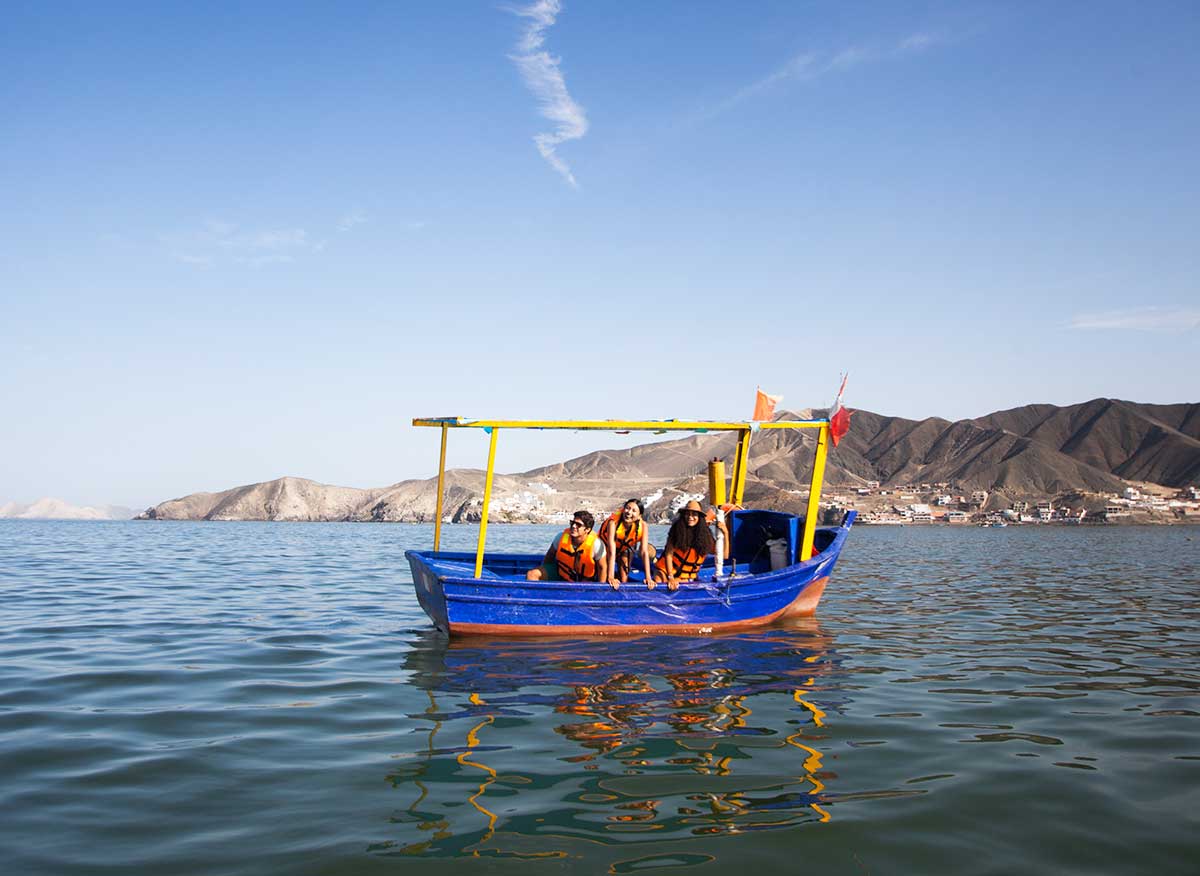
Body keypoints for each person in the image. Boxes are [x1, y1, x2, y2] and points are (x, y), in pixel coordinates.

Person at [653, 500, 729, 591]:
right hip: (666, 572)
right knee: (659, 580)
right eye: (687, 514)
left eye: (694, 514)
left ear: (699, 517)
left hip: (685, 578)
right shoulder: (677, 530)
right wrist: (670, 577)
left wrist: (726, 533)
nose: (690, 517)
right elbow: (668, 555)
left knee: (680, 582)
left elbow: (724, 555)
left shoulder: (706, 536)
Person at [527, 510, 608, 583]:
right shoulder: (560, 537)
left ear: (587, 529)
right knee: (532, 574)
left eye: (578, 525)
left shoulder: (597, 545)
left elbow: (602, 568)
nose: (573, 526)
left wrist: (600, 590)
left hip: (585, 580)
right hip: (561, 574)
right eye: (572, 523)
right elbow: (549, 558)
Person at [599, 499, 656, 589]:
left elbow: (644, 552)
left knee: (624, 575)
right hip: (606, 547)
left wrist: (648, 578)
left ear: (639, 516)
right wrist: (611, 577)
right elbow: (611, 550)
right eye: (627, 508)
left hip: (624, 547)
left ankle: (623, 591)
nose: (629, 512)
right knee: (604, 572)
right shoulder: (613, 523)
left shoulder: (643, 526)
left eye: (634, 511)